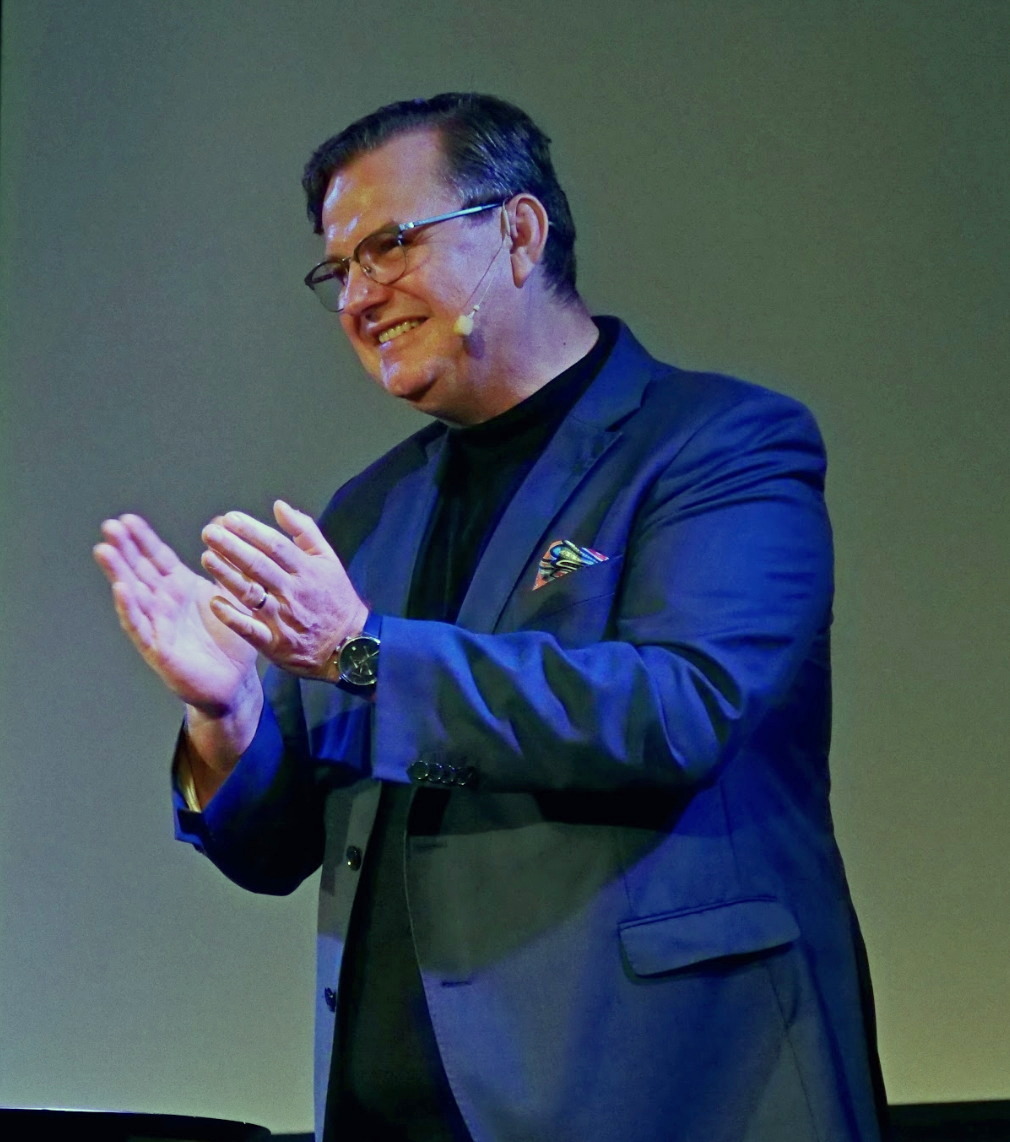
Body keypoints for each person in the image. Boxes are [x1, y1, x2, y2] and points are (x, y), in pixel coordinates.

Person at [94, 93, 887, 1142]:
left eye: (388, 246)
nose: (359, 297)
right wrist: (227, 713)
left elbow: (681, 709)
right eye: (338, 271)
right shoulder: (370, 510)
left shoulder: (718, 445)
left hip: (666, 1096)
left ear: (517, 232)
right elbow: (275, 849)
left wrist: (363, 651)